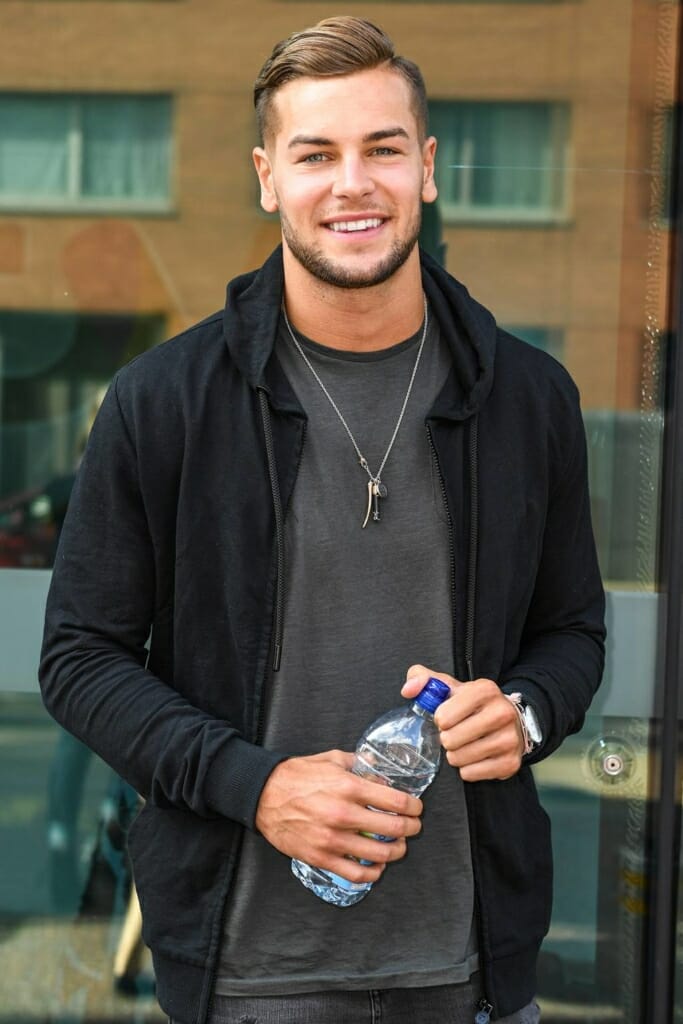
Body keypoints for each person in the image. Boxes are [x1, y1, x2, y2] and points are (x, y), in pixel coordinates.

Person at [39, 16, 605, 1024]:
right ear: (268, 178)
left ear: (425, 167)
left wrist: (523, 714)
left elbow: (571, 633)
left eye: (381, 149)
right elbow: (80, 659)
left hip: (470, 974)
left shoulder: (529, 398)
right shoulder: (162, 401)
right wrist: (255, 786)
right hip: (246, 975)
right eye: (315, 155)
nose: (352, 184)